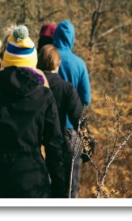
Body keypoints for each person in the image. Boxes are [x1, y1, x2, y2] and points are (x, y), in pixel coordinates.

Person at [0, 25, 66, 198]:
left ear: (7, 59)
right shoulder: (44, 95)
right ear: (32, 62)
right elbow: (54, 146)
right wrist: (60, 191)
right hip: (33, 179)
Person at [37, 44, 83, 197]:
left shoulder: (32, 86)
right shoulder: (66, 88)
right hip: (59, 146)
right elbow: (78, 118)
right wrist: (88, 146)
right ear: (58, 64)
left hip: (34, 145)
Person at [52, 19, 91, 198]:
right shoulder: (79, 64)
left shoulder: (45, 59)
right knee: (70, 186)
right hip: (71, 131)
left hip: (46, 130)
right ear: (72, 38)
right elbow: (86, 99)